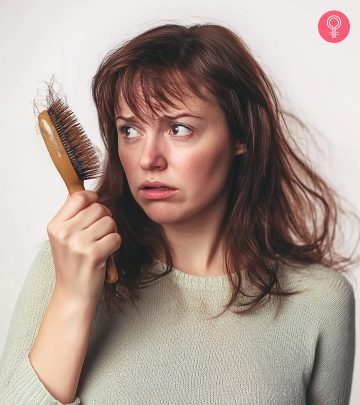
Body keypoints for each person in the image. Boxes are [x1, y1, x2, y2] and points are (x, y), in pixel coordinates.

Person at [0, 22, 358, 405]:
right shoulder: (64, 271)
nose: (148, 159)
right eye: (130, 131)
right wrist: (73, 297)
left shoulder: (320, 301)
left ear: (241, 136)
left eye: (180, 129)